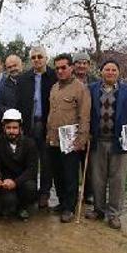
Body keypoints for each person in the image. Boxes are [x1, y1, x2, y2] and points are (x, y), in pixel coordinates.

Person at [87, 58, 127, 230]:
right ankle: (99, 210)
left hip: (119, 142)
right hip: (98, 141)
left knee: (117, 179)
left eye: (113, 70)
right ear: (101, 71)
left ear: (118, 73)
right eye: (107, 69)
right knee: (97, 178)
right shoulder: (92, 89)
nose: (110, 72)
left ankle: (114, 214)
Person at [46, 53, 91, 223]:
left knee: (70, 175)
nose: (60, 71)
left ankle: (69, 208)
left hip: (71, 141)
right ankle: (62, 201)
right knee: (57, 174)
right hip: (54, 139)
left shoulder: (80, 88)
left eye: (63, 67)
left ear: (71, 67)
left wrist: (81, 140)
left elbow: (84, 116)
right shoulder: (54, 88)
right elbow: (52, 114)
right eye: (57, 68)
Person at [15, 45, 57, 208]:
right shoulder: (24, 79)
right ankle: (30, 191)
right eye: (33, 57)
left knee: (47, 160)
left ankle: (45, 193)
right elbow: (18, 103)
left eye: (40, 56)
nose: (37, 60)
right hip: (29, 124)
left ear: (46, 58)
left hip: (47, 124)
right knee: (30, 159)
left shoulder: (54, 77)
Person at [0, 109, 39, 221]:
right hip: (4, 182)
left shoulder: (30, 144)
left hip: (22, 181)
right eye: (8, 128)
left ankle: (23, 208)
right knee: (9, 201)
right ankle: (6, 205)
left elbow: (32, 169)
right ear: (4, 128)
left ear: (20, 129)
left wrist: (15, 183)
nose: (11, 131)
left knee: (30, 188)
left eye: (15, 128)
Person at [73, 52, 97, 205]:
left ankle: (88, 193)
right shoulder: (67, 81)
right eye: (78, 63)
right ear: (74, 65)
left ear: (89, 65)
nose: (81, 65)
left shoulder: (95, 83)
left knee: (89, 164)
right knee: (72, 164)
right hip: (71, 128)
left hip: (89, 128)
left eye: (84, 63)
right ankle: (72, 193)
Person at [0, 54, 23, 126]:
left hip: (26, 125)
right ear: (6, 69)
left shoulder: (29, 81)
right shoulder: (3, 85)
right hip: (9, 125)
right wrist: (13, 113)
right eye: (9, 67)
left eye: (15, 65)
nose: (13, 69)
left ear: (21, 65)